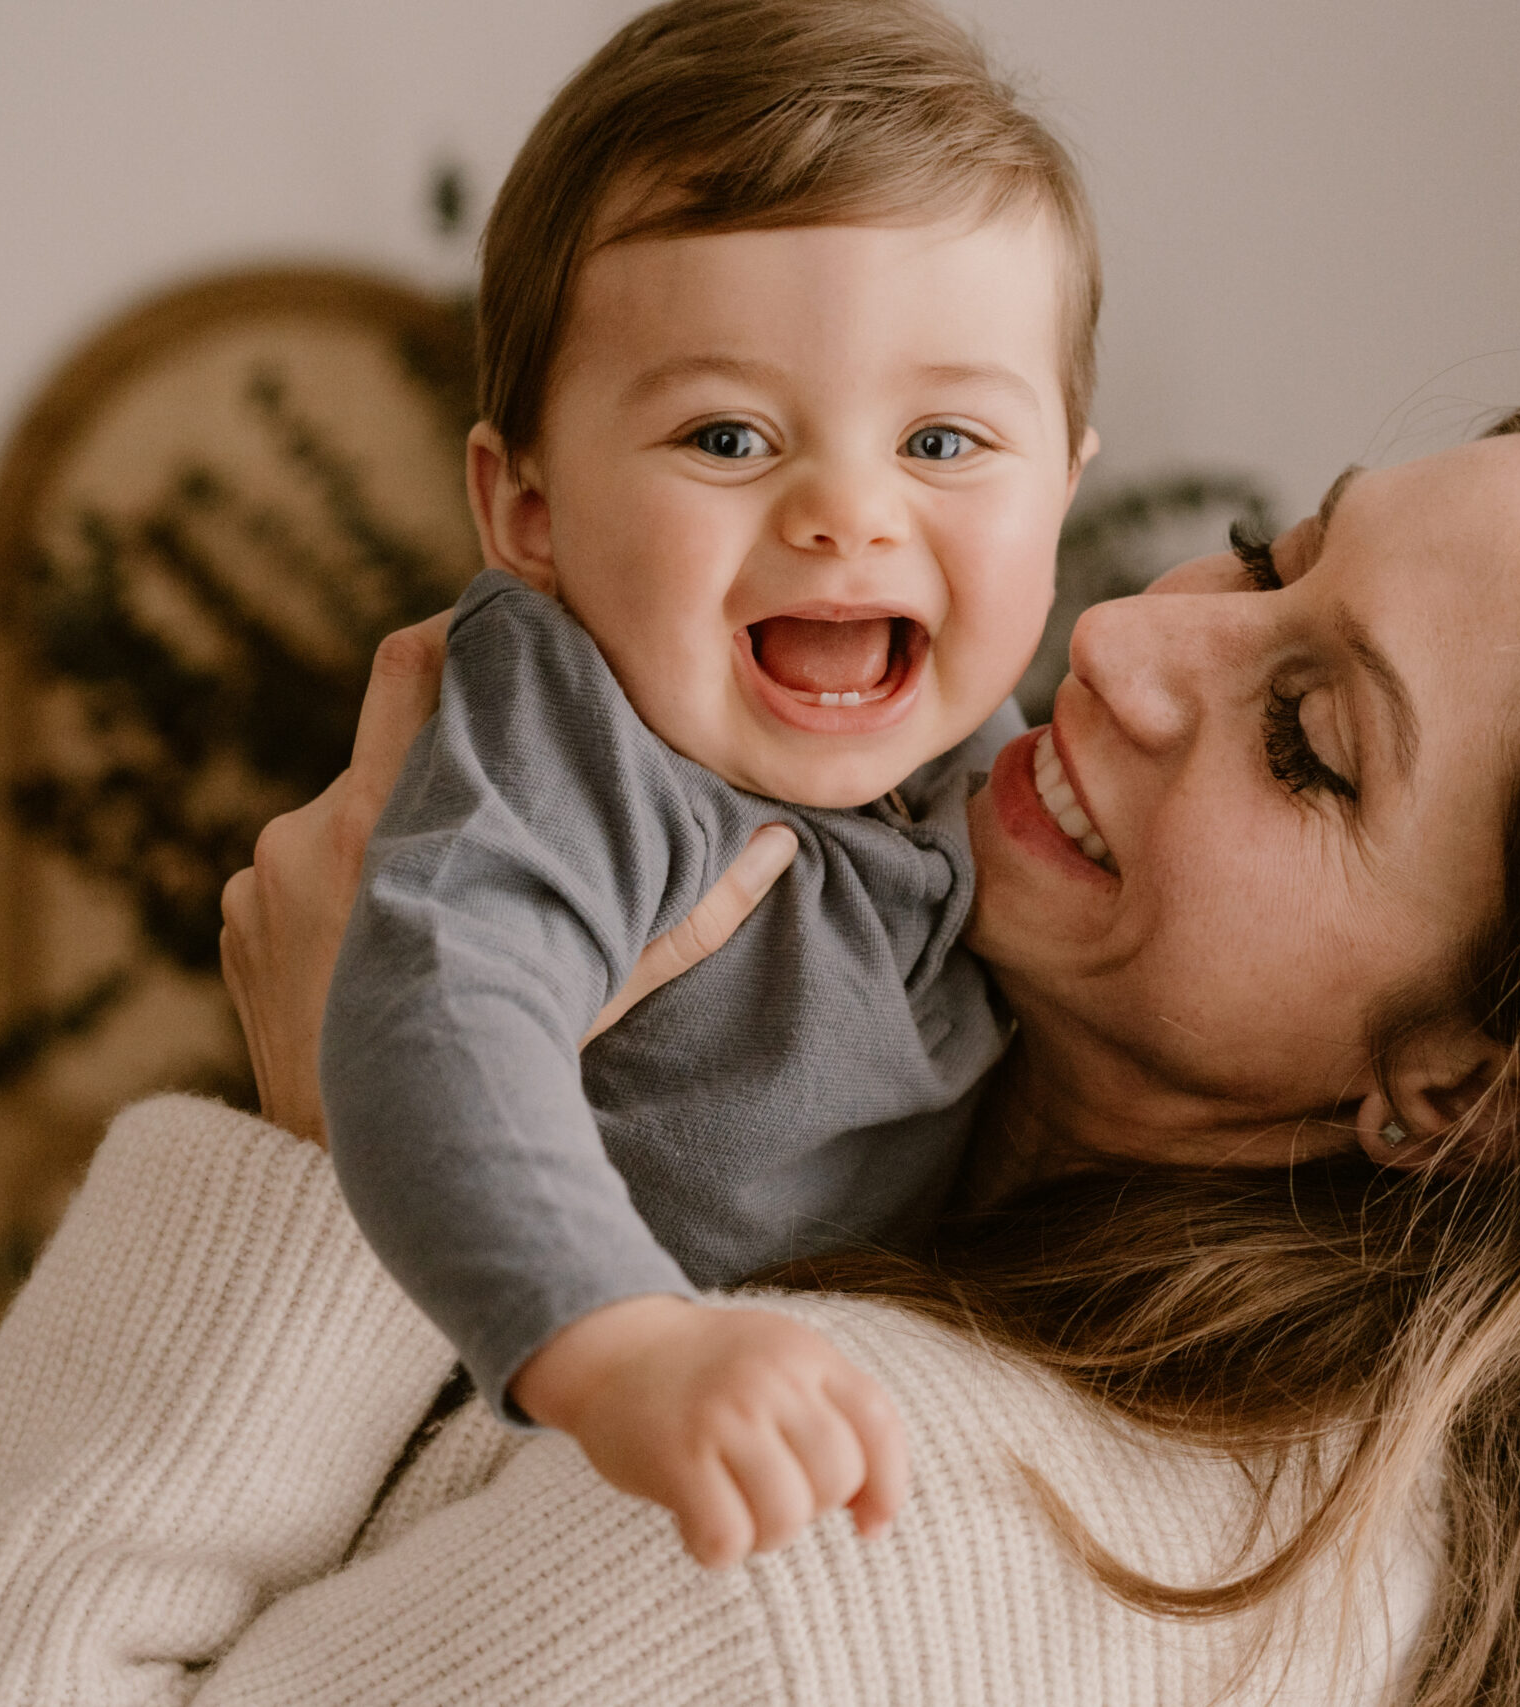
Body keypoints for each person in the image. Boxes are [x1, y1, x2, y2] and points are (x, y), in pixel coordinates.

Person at [0, 400, 1520, 1706]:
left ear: (1460, 1084)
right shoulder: (1361, 1537)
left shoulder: (804, 1550)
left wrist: (337, 1145)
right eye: (1268, 552)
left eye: (1303, 740)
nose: (1132, 635)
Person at [319, 0, 1100, 1569]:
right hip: (511, 1467)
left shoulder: (990, 760)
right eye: (730, 435)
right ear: (528, 508)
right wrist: (620, 1343)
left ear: (1068, 483)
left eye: (945, 440)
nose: (847, 512)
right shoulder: (580, 730)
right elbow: (442, 1005)